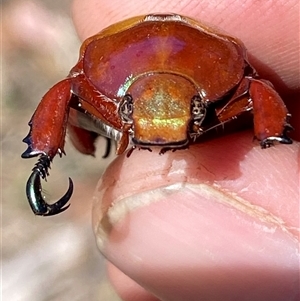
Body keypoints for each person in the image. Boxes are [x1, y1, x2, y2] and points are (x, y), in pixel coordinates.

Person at [72, 0, 299, 300]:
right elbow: (69, 92)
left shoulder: (235, 78)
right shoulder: (96, 71)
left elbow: (256, 89)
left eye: (193, 112)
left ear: (197, 107)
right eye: (129, 111)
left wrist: (272, 136)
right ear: (124, 105)